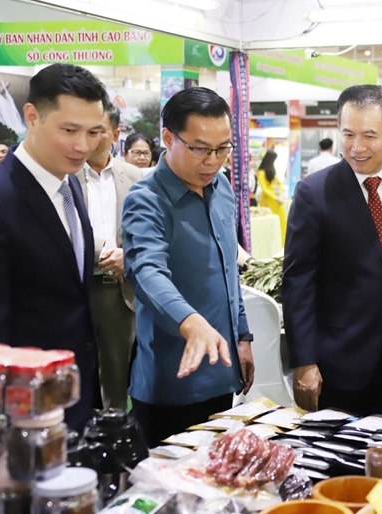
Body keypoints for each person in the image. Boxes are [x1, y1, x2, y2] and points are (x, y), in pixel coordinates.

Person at [0, 63, 107, 431]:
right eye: (69, 130)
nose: (82, 146)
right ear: (32, 117)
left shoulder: (68, 185)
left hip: (73, 398)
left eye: (94, 132)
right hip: (22, 419)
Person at [282, 85, 382, 422]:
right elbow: (299, 282)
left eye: (369, 135)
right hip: (337, 361)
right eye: (348, 134)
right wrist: (305, 360)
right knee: (338, 462)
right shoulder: (314, 193)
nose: (356, 147)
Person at [122, 87, 254, 448]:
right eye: (200, 148)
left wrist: (242, 336)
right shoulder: (146, 198)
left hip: (223, 372)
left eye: (223, 148)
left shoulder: (222, 188)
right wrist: (191, 323)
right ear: (168, 138)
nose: (213, 161)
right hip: (172, 380)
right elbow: (146, 271)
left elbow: (229, 272)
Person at [75, 103, 143, 411]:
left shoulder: (134, 176)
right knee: (75, 376)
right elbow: (64, 226)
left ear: (114, 134)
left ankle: (112, 441)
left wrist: (127, 255)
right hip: (77, 287)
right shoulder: (67, 174)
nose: (87, 138)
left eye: (96, 131)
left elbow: (147, 230)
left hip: (120, 291)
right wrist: (104, 250)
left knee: (115, 380)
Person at [257, 151, 286, 245]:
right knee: (269, 224)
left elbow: (279, 183)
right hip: (267, 202)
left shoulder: (273, 171)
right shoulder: (261, 173)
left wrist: (280, 195)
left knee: (281, 222)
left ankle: (281, 245)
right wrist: (275, 198)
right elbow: (264, 189)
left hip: (278, 202)